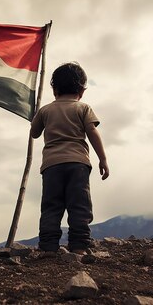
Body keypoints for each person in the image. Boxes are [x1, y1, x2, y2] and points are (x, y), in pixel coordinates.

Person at [30, 62, 110, 256]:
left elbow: (34, 133)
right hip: (78, 164)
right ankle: (80, 246)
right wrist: (103, 159)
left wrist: (35, 116)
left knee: (51, 206)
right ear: (81, 90)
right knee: (79, 206)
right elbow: (92, 132)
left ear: (54, 89)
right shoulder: (83, 108)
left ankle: (48, 246)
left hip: (51, 166)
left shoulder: (46, 110)